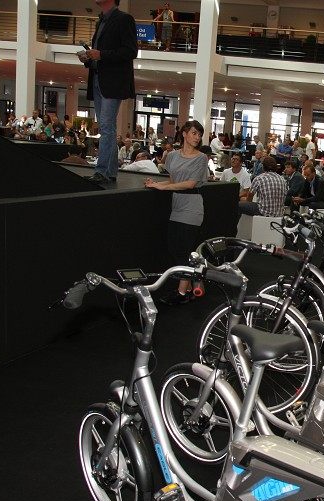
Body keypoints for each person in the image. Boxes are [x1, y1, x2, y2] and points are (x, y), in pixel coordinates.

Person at [144, 120, 208, 305]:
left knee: (182, 251)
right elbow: (173, 180)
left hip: (192, 207)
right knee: (174, 248)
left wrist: (164, 188)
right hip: (177, 206)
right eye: (194, 133)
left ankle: (181, 293)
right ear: (185, 133)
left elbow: (190, 184)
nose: (197, 137)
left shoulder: (201, 158)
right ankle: (191, 282)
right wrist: (155, 184)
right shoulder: (171, 156)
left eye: (199, 134)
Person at [79, 0, 137, 184]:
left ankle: (103, 170)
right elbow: (100, 53)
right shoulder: (101, 21)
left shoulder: (123, 19)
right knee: (107, 127)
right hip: (98, 78)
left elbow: (130, 51)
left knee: (106, 126)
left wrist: (101, 55)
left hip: (112, 81)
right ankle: (109, 171)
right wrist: (89, 58)